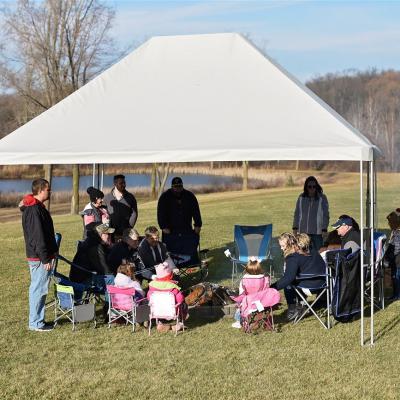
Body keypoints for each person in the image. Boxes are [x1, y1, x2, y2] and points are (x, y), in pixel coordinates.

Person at [20, 178, 58, 332]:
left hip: (41, 255)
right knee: (39, 289)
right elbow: (38, 237)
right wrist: (45, 258)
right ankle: (35, 323)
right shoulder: (34, 210)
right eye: (48, 189)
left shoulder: (36, 207)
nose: (50, 191)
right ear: (41, 190)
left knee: (40, 288)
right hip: (39, 257)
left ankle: (38, 320)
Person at [271, 232, 326, 321]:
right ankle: (302, 305)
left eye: (283, 246)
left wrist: (272, 288)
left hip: (309, 287)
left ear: (291, 244)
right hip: (324, 285)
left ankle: (293, 310)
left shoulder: (293, 257)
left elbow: (288, 278)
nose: (281, 249)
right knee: (296, 279)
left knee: (289, 284)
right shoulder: (313, 251)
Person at [231, 257, 280, 329]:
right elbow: (267, 291)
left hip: (249, 304)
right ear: (259, 268)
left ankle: (239, 321)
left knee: (240, 302)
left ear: (247, 269)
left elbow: (242, 293)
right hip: (263, 303)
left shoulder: (244, 280)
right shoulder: (265, 279)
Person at [70, 222, 115, 294]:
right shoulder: (95, 247)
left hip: (81, 276)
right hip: (83, 280)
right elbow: (105, 270)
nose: (110, 236)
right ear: (100, 234)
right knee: (112, 279)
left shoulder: (92, 241)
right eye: (107, 234)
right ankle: (109, 304)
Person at [147, 261, 188, 332]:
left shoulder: (152, 287)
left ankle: (160, 323)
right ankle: (180, 323)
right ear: (170, 275)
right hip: (172, 311)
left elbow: (149, 298)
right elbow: (180, 299)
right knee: (183, 305)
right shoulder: (173, 288)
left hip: (157, 311)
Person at [292, 176, 329, 252]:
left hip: (318, 233)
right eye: (309, 186)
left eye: (314, 186)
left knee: (318, 253)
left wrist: (324, 229)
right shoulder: (301, 197)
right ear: (306, 187)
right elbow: (297, 213)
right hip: (303, 233)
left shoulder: (322, 198)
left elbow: (326, 215)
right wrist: (295, 228)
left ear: (316, 187)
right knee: (304, 253)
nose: (312, 188)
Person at [103, 174, 138, 239]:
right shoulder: (107, 198)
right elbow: (104, 214)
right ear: (115, 183)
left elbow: (134, 214)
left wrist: (129, 228)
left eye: (124, 183)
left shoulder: (130, 197)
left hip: (125, 233)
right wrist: (108, 228)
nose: (124, 185)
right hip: (111, 233)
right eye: (121, 183)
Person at [386, 209, 400, 300]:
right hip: (394, 258)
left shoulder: (398, 232)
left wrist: (390, 257)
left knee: (396, 276)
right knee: (394, 276)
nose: (388, 224)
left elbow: (397, 247)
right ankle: (395, 294)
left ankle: (397, 295)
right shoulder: (394, 231)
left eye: (390, 222)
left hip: (397, 259)